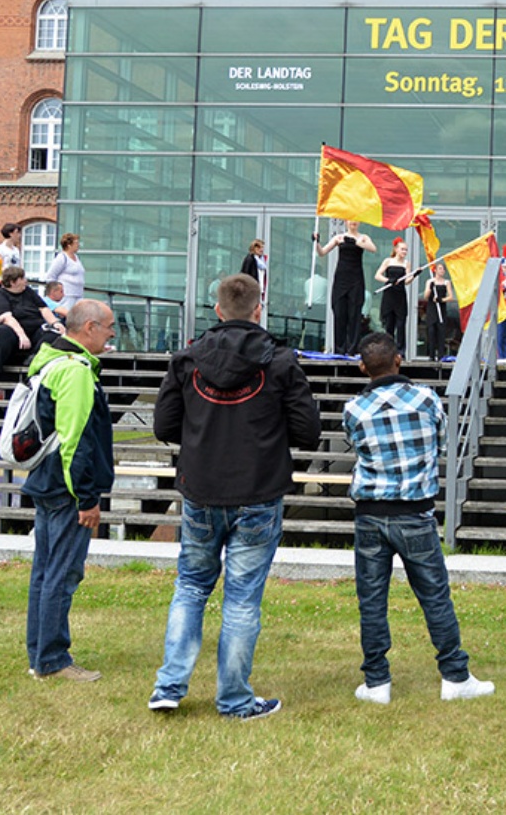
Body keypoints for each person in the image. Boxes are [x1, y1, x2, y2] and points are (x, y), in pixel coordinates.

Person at [149, 274, 318, 716]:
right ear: (257, 310)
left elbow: (164, 425)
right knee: (241, 597)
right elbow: (308, 431)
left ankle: (170, 686)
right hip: (256, 491)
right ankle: (232, 699)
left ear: (219, 311)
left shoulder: (188, 358)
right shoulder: (278, 361)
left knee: (191, 586)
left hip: (204, 488)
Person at [343, 332, 494, 705]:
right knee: (434, 597)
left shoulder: (354, 409)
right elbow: (442, 443)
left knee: (372, 600)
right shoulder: (426, 398)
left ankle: (377, 682)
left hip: (370, 515)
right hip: (415, 511)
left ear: (363, 367)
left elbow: (357, 447)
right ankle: (455, 675)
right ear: (399, 359)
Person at [21, 299, 116, 681]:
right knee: (61, 573)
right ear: (89, 327)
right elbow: (74, 441)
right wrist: (87, 499)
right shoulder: (75, 372)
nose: (112, 334)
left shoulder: (49, 360)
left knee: (45, 572)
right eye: (109, 327)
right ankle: (52, 660)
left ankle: (39, 654)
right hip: (66, 490)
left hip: (46, 481)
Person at [0, 266, 59, 383]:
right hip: (11, 332)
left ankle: (33, 358)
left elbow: (43, 308)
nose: (25, 281)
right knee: (2, 332)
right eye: (22, 278)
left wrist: (55, 323)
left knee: (52, 333)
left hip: (33, 330)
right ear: (13, 282)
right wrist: (22, 335)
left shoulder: (28, 292)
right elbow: (7, 318)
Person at [316, 221, 374, 355]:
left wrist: (358, 242)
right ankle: (339, 349)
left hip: (356, 278)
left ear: (359, 223)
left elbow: (372, 248)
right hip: (341, 278)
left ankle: (352, 349)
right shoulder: (339, 238)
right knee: (340, 313)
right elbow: (322, 252)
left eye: (356, 221)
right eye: (350, 220)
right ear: (346, 222)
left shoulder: (363, 237)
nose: (353, 223)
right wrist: (316, 242)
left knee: (354, 314)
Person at [374, 239, 413, 347]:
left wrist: (414, 276)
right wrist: (388, 280)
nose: (404, 252)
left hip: (400, 295)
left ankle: (400, 350)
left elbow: (406, 281)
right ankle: (388, 347)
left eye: (406, 250)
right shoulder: (388, 261)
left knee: (401, 324)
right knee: (389, 324)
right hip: (389, 294)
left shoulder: (406, 264)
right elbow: (377, 275)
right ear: (396, 249)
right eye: (402, 249)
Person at [422, 262, 455, 359]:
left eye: (443, 269)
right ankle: (431, 355)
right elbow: (426, 296)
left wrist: (441, 300)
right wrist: (430, 288)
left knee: (441, 331)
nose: (441, 271)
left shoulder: (446, 282)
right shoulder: (430, 281)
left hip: (441, 308)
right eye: (439, 269)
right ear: (435, 270)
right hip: (432, 308)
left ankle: (441, 354)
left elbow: (450, 297)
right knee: (431, 331)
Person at [44, 232, 86, 302]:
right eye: (76, 243)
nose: (78, 245)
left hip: (78, 294)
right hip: (67, 295)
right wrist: (56, 292)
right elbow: (51, 276)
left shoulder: (76, 257)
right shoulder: (62, 258)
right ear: (69, 245)